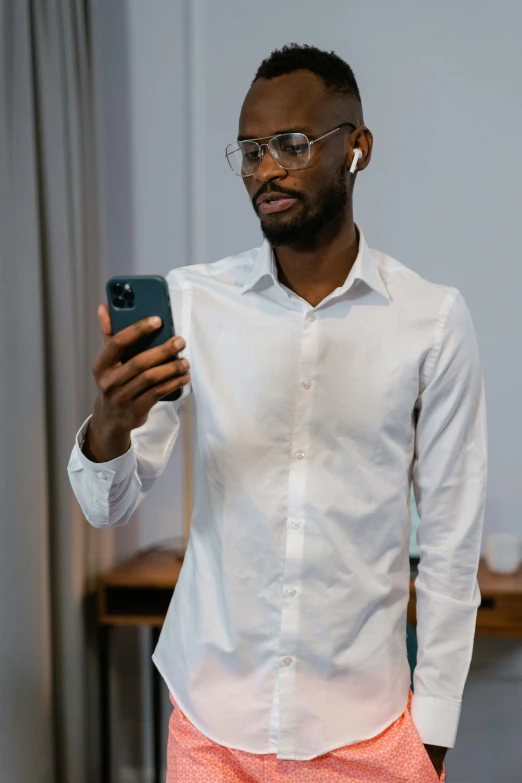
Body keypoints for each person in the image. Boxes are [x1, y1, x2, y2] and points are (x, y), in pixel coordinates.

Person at [68, 43, 487, 782]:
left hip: (367, 730)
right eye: (251, 151)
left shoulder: (433, 319)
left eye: (292, 145)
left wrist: (434, 733)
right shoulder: (195, 301)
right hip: (210, 724)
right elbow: (110, 505)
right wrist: (109, 423)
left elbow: (452, 542)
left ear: (356, 148)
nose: (266, 170)